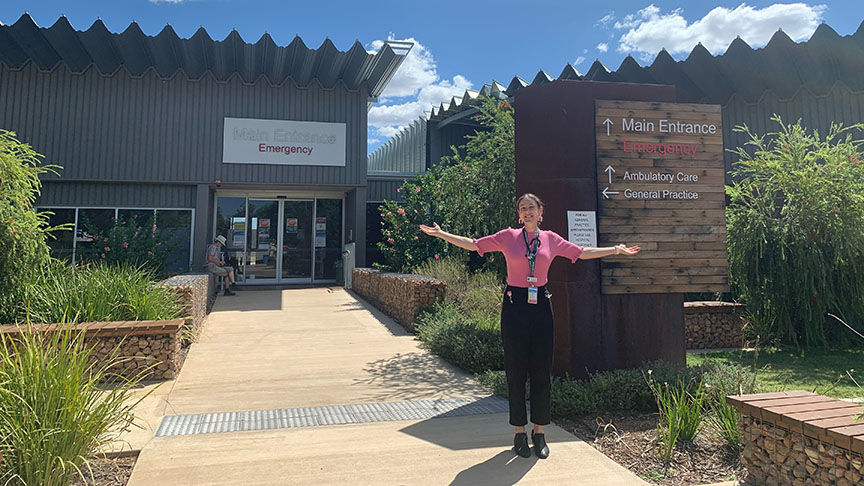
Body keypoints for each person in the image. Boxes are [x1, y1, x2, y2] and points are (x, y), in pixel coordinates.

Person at [419, 193, 640, 459]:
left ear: (540, 212)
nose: (527, 211)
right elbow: (473, 244)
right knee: (515, 370)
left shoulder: (551, 240)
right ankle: (519, 433)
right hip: (514, 306)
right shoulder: (507, 236)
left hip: (541, 305)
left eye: (531, 207)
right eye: (523, 208)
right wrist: (442, 234)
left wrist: (615, 249)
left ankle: (540, 432)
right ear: (519, 214)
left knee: (541, 371)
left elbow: (581, 253)